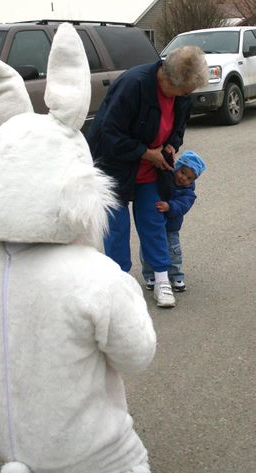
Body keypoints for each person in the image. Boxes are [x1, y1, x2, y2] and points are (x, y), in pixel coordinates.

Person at [0, 25, 157, 473]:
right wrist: (129, 298)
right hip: (75, 442)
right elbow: (139, 355)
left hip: (4, 435)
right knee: (132, 463)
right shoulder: (93, 274)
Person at [86, 45, 208, 308]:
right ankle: (119, 286)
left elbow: (178, 129)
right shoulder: (134, 85)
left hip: (151, 167)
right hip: (114, 166)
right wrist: (145, 152)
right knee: (116, 228)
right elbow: (110, 133)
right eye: (186, 90)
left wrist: (172, 145)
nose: (189, 95)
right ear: (169, 80)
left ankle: (162, 279)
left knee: (153, 221)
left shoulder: (181, 95)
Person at [143, 150, 206, 292]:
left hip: (171, 227)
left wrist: (169, 206)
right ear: (177, 167)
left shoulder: (188, 193)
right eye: (183, 172)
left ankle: (176, 276)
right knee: (148, 248)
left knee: (173, 252)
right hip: (154, 224)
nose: (184, 179)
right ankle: (150, 275)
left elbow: (182, 206)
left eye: (189, 178)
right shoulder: (165, 178)